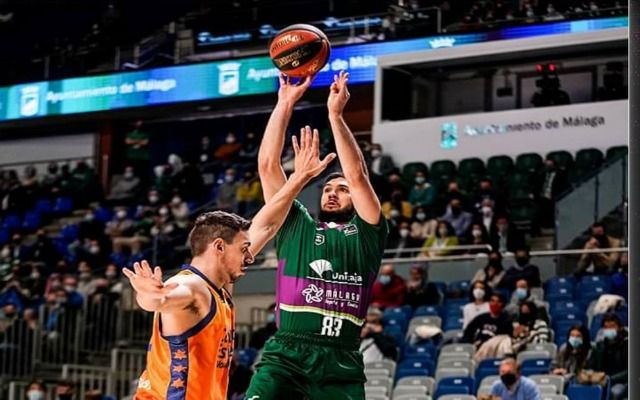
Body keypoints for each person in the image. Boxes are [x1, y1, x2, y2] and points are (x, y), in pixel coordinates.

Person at [124, 128, 336, 400]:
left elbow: (268, 225)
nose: (251, 256)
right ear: (219, 247)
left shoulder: (220, 285)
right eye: (244, 249)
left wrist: (299, 177)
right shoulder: (191, 287)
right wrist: (148, 294)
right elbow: (162, 301)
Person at [245, 71, 388, 400]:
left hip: (341, 360)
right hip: (287, 355)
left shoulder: (367, 232)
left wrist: (335, 116)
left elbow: (357, 174)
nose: (332, 192)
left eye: (342, 189)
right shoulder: (297, 223)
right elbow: (267, 166)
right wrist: (284, 105)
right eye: (327, 188)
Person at [586, 313, 628, 400]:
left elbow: (630, 371)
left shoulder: (628, 345)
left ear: (620, 328)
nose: (609, 330)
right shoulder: (599, 346)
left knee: (614, 392)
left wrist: (610, 378)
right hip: (600, 380)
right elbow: (590, 366)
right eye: (606, 327)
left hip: (621, 382)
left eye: (612, 327)